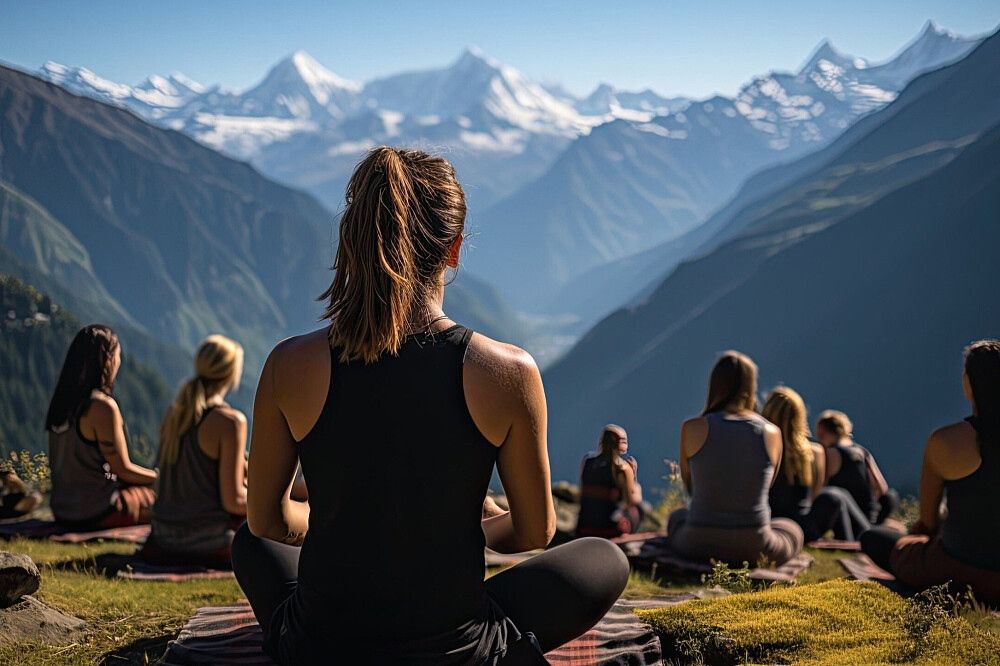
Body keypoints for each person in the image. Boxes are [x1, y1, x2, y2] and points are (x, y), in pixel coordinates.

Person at [231, 147, 629, 665]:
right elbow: (534, 532)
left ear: (354, 243)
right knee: (604, 559)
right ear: (455, 250)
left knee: (249, 544)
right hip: (455, 651)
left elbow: (267, 520)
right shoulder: (508, 372)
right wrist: (459, 526)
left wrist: (342, 521)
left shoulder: (288, 365)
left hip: (318, 647)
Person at [861, 340, 1000, 602]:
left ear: (969, 383)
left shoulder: (946, 441)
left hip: (955, 567)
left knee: (876, 538)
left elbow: (928, 521)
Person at [667, 351, 804, 566]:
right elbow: (767, 486)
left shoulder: (693, 427)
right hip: (754, 545)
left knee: (677, 518)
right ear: (751, 387)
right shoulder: (772, 432)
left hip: (697, 542)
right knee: (791, 529)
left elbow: (690, 485)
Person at [140, 335, 247, 568]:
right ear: (231, 374)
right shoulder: (229, 422)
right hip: (209, 539)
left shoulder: (175, 414)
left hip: (163, 537)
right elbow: (234, 501)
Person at [45, 325, 157, 529]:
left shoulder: (63, 402)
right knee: (169, 504)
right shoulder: (102, 407)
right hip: (98, 509)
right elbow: (123, 470)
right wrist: (161, 478)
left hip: (62, 510)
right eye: (118, 355)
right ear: (108, 360)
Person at [762, 387, 870, 541]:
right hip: (801, 528)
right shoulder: (814, 452)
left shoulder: (761, 446)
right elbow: (816, 493)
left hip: (768, 522)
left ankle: (857, 541)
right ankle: (854, 542)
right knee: (834, 496)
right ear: (799, 416)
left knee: (837, 496)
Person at [816, 410, 899, 524]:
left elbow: (821, 486)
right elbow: (881, 487)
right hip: (870, 516)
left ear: (825, 432)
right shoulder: (862, 451)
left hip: (849, 520)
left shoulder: (832, 453)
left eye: (820, 435)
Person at [576, 425, 644, 538]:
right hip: (611, 529)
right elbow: (631, 500)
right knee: (639, 509)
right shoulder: (623, 468)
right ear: (620, 443)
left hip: (584, 527)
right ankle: (629, 537)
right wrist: (634, 477)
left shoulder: (588, 461)